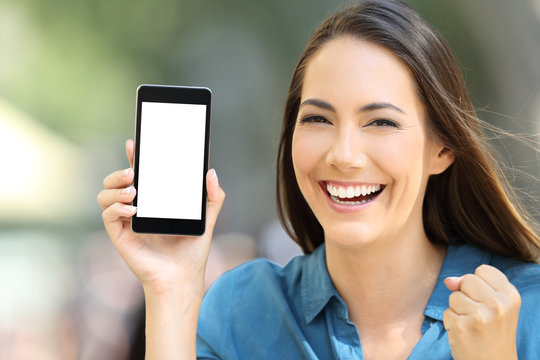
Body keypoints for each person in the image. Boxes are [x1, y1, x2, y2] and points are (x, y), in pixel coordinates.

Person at [97, 1, 540, 358]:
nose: (343, 155)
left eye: (381, 122)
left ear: (441, 148)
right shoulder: (244, 310)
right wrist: (170, 287)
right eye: (317, 119)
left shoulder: (525, 312)